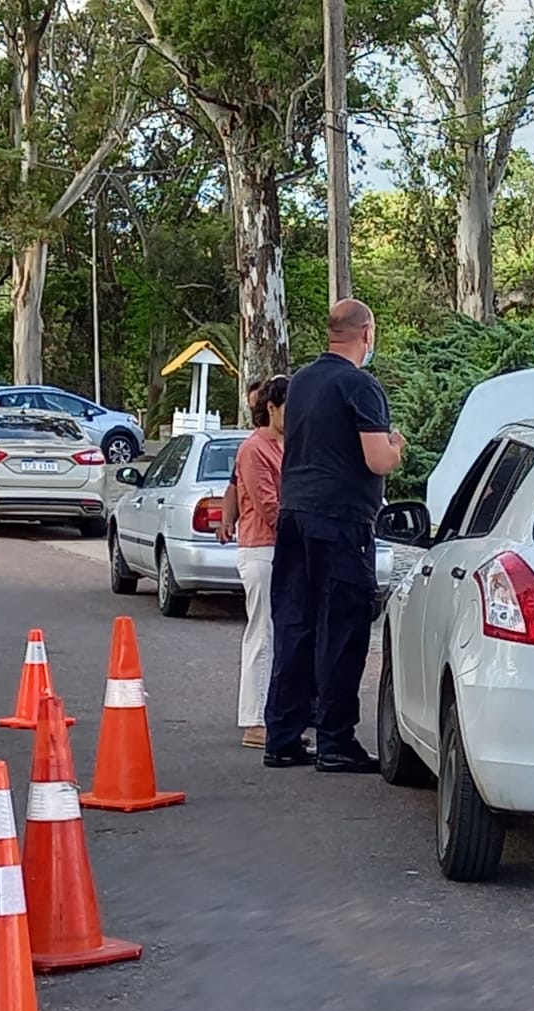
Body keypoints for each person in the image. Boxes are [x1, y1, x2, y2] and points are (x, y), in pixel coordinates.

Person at [263, 298, 405, 773]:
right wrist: (396, 446)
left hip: (295, 512)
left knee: (295, 624)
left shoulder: (301, 382)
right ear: (367, 333)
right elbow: (376, 460)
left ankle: (282, 736)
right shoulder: (361, 386)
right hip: (342, 520)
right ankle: (335, 741)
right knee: (342, 629)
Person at [233, 375, 288, 747]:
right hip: (261, 549)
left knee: (278, 634)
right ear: (271, 408)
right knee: (262, 633)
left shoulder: (287, 445)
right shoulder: (255, 449)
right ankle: (255, 719)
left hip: (281, 550)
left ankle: (275, 713)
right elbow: (269, 505)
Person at [217, 380, 262, 545]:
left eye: (260, 408)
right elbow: (234, 485)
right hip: (256, 540)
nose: (256, 414)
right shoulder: (251, 447)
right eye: (252, 409)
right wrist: (227, 522)